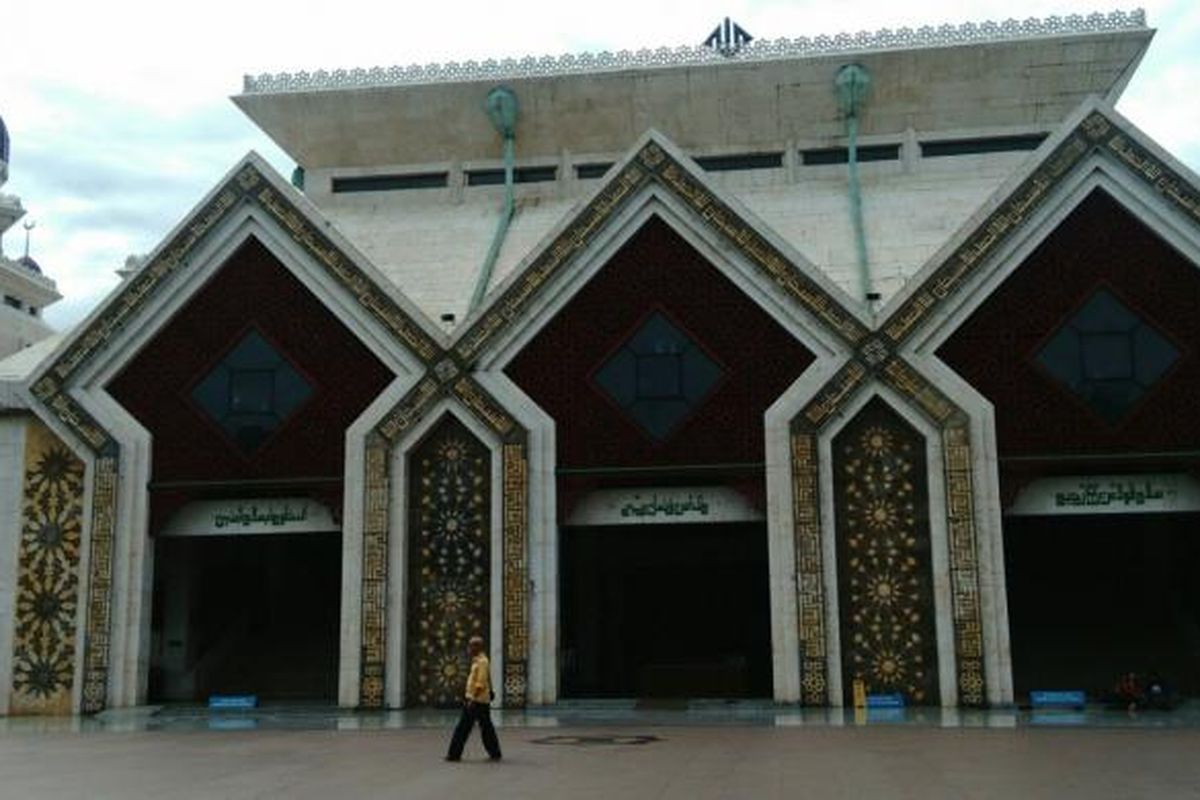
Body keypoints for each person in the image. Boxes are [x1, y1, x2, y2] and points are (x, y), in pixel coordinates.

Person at [445, 635, 502, 762]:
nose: (469, 648)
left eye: (471, 645)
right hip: (479, 701)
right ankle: (495, 752)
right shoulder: (478, 660)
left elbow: (480, 683)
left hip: (477, 701)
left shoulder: (482, 662)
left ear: (477, 647)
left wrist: (472, 699)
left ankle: (454, 754)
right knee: (486, 727)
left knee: (463, 728)